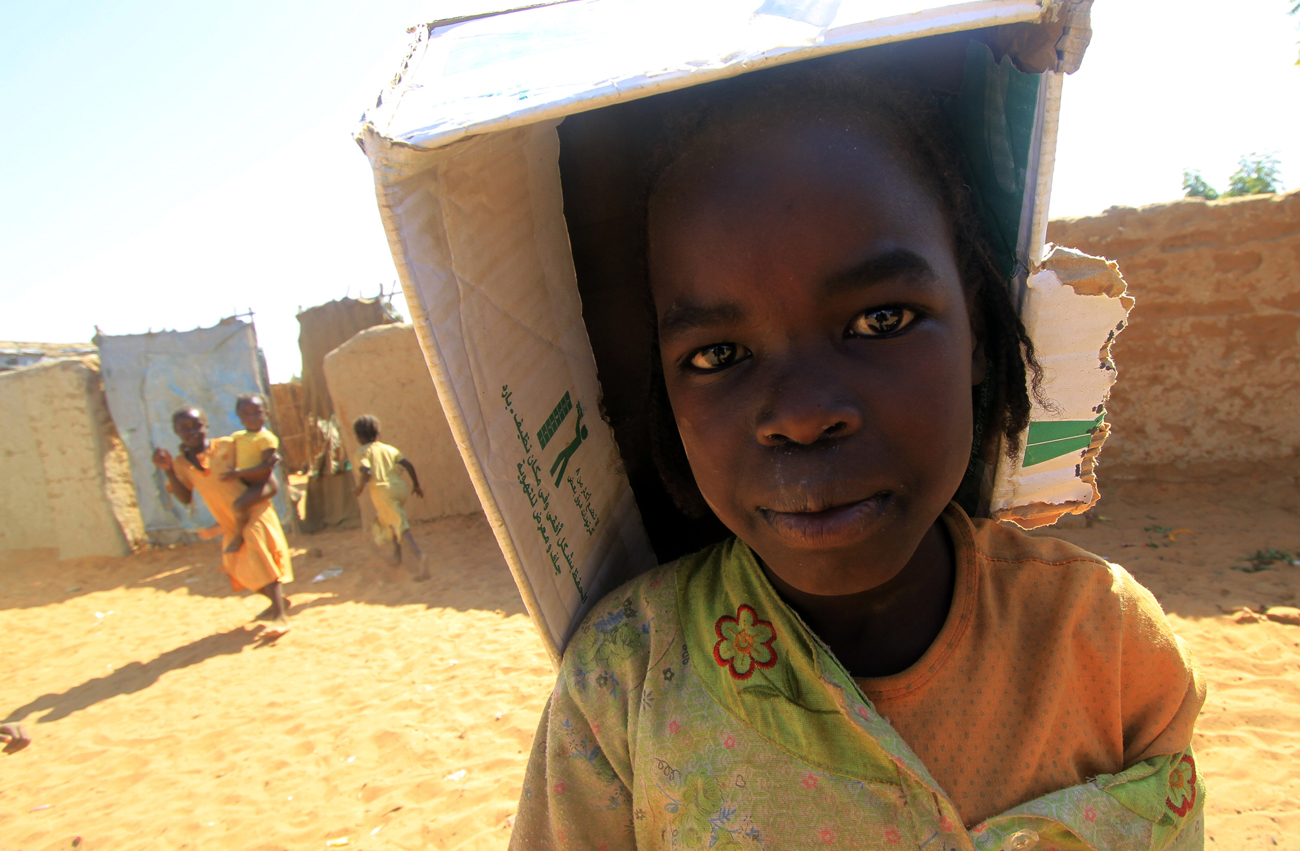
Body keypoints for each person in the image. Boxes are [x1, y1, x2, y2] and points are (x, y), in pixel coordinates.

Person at [510, 67, 1206, 849]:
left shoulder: (1107, 646)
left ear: (976, 330)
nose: (803, 414)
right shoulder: (621, 686)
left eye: (882, 318)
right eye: (720, 355)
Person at [153, 407, 294, 637]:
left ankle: (280, 617)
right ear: (176, 432)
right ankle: (278, 601)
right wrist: (169, 470)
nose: (192, 432)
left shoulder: (229, 446)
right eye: (184, 428)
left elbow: (260, 471)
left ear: (206, 425)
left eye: (196, 425)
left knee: (260, 558)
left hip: (253, 509)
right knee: (234, 565)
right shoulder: (181, 463)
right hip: (229, 521)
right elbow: (184, 496)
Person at [351, 415, 430, 581]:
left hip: (382, 491)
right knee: (389, 520)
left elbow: (366, 471)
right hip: (399, 488)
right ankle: (397, 555)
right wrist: (415, 485)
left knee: (400, 524)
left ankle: (420, 556)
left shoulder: (361, 452)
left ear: (358, 436)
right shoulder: (388, 448)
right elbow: (407, 464)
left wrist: (359, 488)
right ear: (377, 433)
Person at [222, 393, 280, 555]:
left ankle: (238, 536)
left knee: (239, 505)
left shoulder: (266, 438)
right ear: (238, 415)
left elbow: (265, 468)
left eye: (257, 412)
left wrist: (238, 473)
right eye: (245, 413)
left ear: (267, 413)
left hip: (264, 484)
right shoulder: (237, 437)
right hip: (246, 482)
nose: (251, 417)